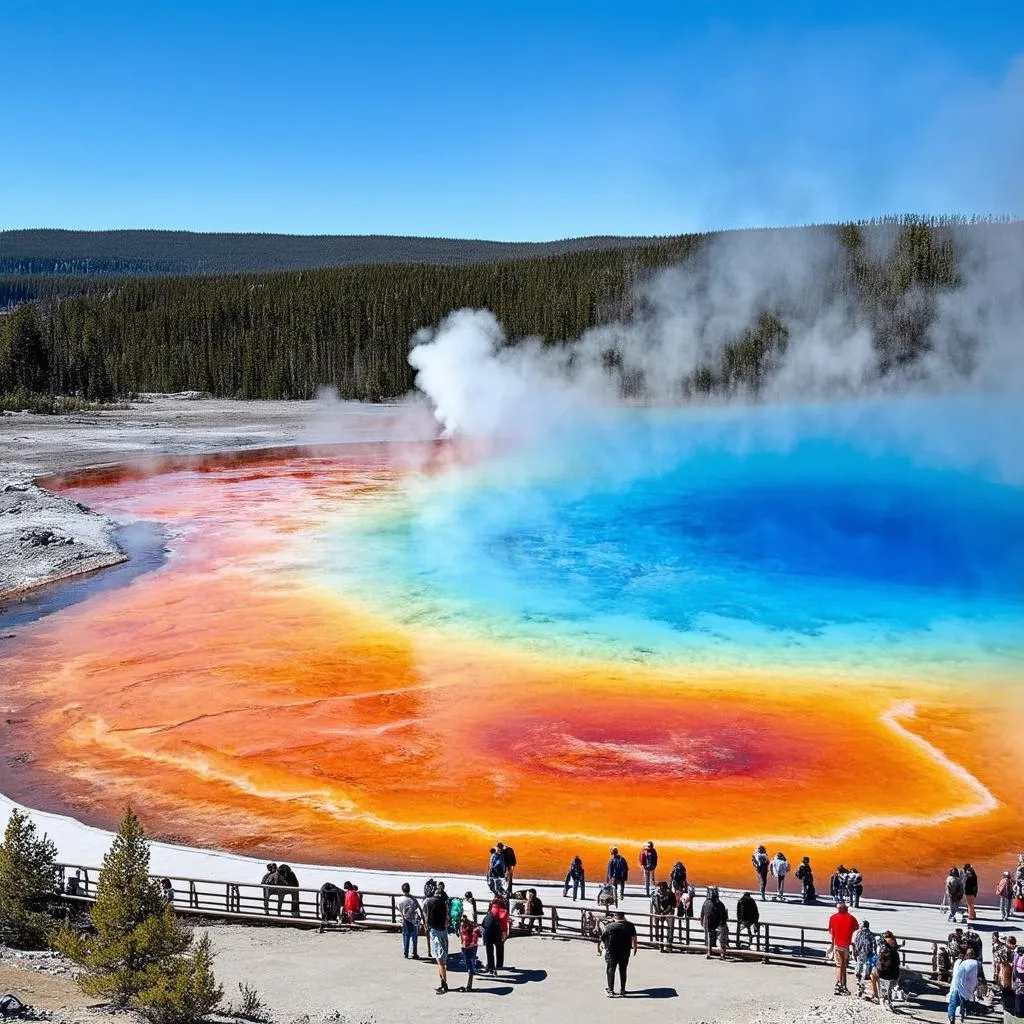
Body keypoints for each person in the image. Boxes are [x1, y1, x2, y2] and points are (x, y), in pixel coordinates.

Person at [598, 911, 638, 997]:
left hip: (612, 952)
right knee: (623, 970)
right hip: (625, 951)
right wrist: (635, 948)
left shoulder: (608, 927)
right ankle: (623, 990)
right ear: (623, 917)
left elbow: (603, 940)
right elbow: (634, 938)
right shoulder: (630, 926)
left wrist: (601, 948)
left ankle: (610, 990)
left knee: (611, 970)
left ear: (614, 917)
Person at [423, 884, 451, 994]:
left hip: (436, 931)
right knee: (442, 960)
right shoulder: (443, 905)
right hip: (443, 930)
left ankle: (444, 985)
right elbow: (447, 920)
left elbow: (427, 917)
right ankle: (442, 982)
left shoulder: (431, 903)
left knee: (440, 960)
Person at [827, 900, 859, 996]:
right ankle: (843, 985)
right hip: (846, 945)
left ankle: (838, 984)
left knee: (838, 965)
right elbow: (856, 927)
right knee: (844, 965)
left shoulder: (833, 918)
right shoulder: (852, 918)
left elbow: (831, 931)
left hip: (837, 944)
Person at [948, 948, 979, 1024]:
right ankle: (961, 1017)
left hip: (958, 987)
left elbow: (957, 976)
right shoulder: (977, 964)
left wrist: (954, 987)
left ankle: (952, 1019)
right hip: (969, 989)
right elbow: (978, 977)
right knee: (963, 1004)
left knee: (953, 1004)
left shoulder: (962, 963)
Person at [481, 898, 509, 974]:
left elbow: (484, 922)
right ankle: (499, 964)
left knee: (489, 948)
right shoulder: (503, 910)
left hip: (487, 929)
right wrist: (505, 932)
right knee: (499, 947)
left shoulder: (491, 909)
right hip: (496, 930)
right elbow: (504, 923)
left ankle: (490, 965)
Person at [700, 886, 729, 960]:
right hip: (718, 924)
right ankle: (722, 953)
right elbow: (724, 916)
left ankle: (709, 953)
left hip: (709, 924)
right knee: (722, 939)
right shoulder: (720, 904)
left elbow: (702, 915)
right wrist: (723, 923)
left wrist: (703, 923)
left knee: (710, 939)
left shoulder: (706, 903)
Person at [876, 931, 901, 1009]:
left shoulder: (881, 948)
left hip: (883, 972)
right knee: (889, 987)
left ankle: (884, 999)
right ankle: (888, 1001)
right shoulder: (893, 952)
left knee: (885, 986)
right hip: (890, 973)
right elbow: (897, 963)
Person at [397, 882, 423, 959]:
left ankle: (406, 952)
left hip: (404, 920)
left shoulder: (399, 900)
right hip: (413, 921)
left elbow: (397, 909)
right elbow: (418, 909)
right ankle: (414, 953)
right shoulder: (413, 900)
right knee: (414, 938)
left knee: (406, 937)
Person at [852, 918, 877, 999]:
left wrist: (855, 954)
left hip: (860, 956)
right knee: (867, 974)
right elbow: (874, 946)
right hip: (868, 956)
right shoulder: (871, 934)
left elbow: (855, 944)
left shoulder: (858, 933)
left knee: (859, 973)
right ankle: (867, 991)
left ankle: (860, 990)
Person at [459, 915, 482, 992]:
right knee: (471, 961)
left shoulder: (463, 928)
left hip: (468, 947)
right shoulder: (474, 928)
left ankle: (469, 986)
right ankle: (470, 982)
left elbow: (463, 939)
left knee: (469, 966)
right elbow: (480, 935)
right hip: (473, 946)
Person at [650, 881, 675, 949]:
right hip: (658, 912)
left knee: (670, 927)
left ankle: (669, 943)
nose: (661, 889)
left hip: (668, 912)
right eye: (660, 887)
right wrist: (659, 912)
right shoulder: (655, 894)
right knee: (656, 927)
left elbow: (672, 905)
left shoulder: (671, 894)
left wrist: (664, 912)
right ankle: (658, 942)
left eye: (663, 887)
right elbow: (654, 904)